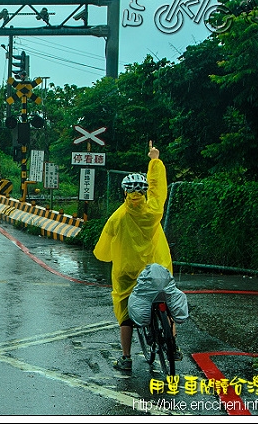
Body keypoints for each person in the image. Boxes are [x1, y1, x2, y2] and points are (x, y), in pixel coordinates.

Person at [93, 140, 182, 371]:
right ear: (144, 193)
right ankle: (173, 346)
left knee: (125, 313)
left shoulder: (117, 217)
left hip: (128, 273)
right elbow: (159, 188)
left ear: (125, 192)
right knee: (167, 302)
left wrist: (106, 256)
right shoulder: (154, 211)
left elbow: (104, 247)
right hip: (156, 268)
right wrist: (154, 160)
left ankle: (126, 358)